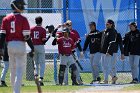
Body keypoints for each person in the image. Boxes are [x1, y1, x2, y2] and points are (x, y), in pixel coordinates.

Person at [0, 0, 34, 93]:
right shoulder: (23, 19)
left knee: (12, 69)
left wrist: (0, 48)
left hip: (9, 45)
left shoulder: (6, 19)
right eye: (21, 5)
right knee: (20, 69)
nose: (23, 6)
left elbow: (2, 35)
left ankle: (13, 90)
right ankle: (16, 91)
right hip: (20, 44)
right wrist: (32, 47)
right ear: (17, 6)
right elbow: (26, 36)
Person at [89, 19, 117, 84]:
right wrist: (89, 35)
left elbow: (112, 42)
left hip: (108, 52)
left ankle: (108, 79)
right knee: (104, 66)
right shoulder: (104, 31)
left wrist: (109, 51)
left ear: (111, 24)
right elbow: (97, 34)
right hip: (102, 51)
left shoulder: (112, 32)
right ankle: (111, 77)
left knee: (106, 66)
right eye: (106, 24)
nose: (106, 25)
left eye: (107, 24)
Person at [30, 16, 49, 86]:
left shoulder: (31, 29)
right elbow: (43, 40)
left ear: (35, 21)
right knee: (42, 63)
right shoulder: (43, 29)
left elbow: (29, 38)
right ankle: (41, 78)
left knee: (36, 63)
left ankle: (36, 76)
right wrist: (48, 37)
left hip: (33, 46)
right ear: (41, 21)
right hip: (40, 46)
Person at [64, 20, 83, 85]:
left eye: (70, 24)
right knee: (65, 67)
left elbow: (78, 42)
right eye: (67, 24)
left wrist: (81, 51)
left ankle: (78, 80)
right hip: (65, 52)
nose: (68, 26)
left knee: (75, 67)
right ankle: (65, 82)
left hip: (73, 51)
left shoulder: (74, 32)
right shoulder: (63, 32)